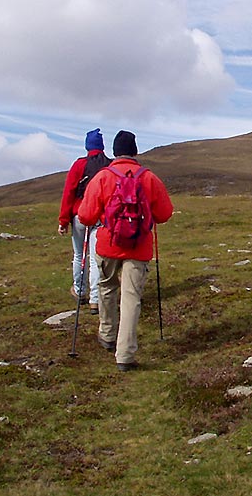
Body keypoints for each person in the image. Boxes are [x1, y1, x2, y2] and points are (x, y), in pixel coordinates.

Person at [78, 130, 173, 372]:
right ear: (135, 151)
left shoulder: (102, 177)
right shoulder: (149, 178)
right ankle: (125, 354)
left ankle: (107, 334)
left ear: (114, 151)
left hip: (108, 244)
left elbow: (86, 216)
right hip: (138, 247)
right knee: (131, 298)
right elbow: (164, 213)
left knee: (107, 287)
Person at [58, 128, 111, 314]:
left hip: (80, 215)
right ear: (102, 146)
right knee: (97, 259)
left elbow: (69, 193)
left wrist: (63, 220)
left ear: (87, 145)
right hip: (100, 217)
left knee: (79, 254)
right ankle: (95, 301)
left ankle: (80, 291)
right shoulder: (109, 166)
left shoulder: (79, 165)